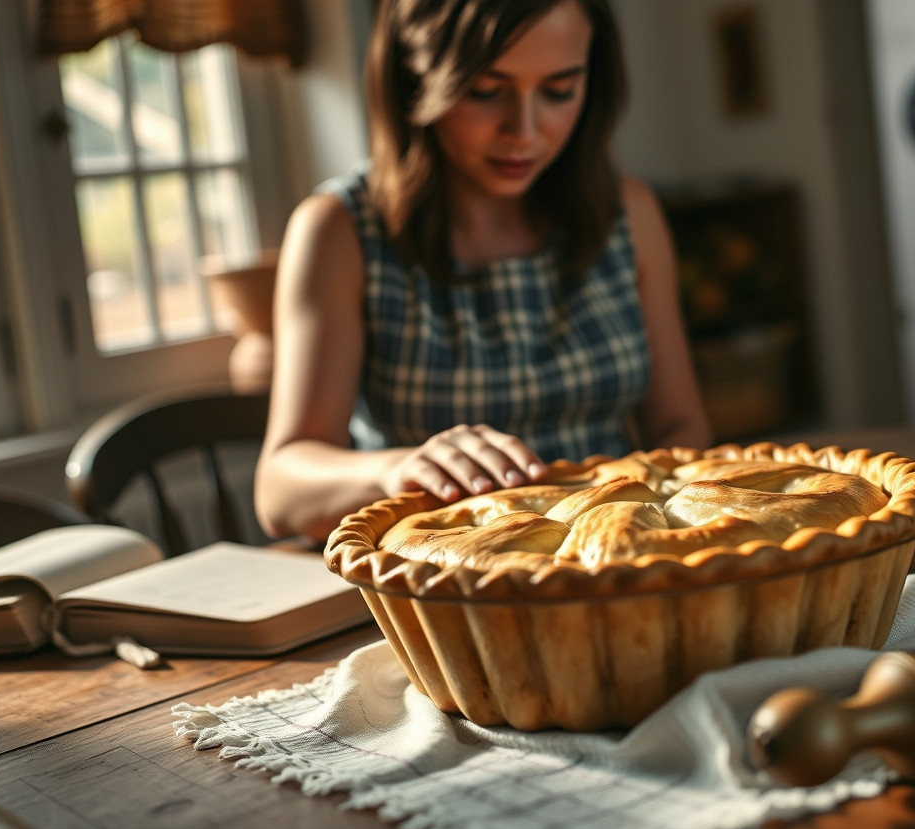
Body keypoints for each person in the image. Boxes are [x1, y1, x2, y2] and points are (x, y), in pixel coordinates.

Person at [256, 0, 712, 542]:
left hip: (612, 554)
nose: (524, 131)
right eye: (485, 91)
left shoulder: (628, 212)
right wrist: (394, 471)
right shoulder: (340, 231)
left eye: (559, 91)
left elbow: (682, 428)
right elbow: (281, 490)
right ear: (414, 78)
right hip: (441, 573)